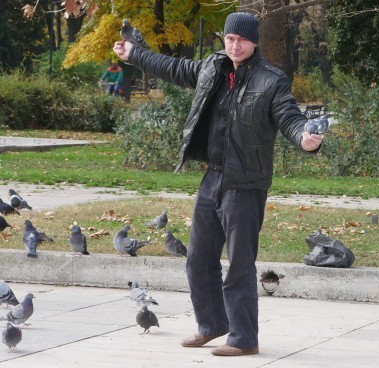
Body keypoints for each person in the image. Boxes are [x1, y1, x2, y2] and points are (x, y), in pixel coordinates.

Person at [113, 12, 323, 356]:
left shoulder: (271, 80)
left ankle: (244, 339)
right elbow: (173, 67)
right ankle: (211, 325)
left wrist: (305, 138)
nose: (235, 45)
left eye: (241, 40)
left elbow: (289, 116)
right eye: (229, 39)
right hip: (213, 175)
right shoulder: (212, 68)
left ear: (254, 42)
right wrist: (134, 54)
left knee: (239, 262)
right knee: (198, 257)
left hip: (246, 183)